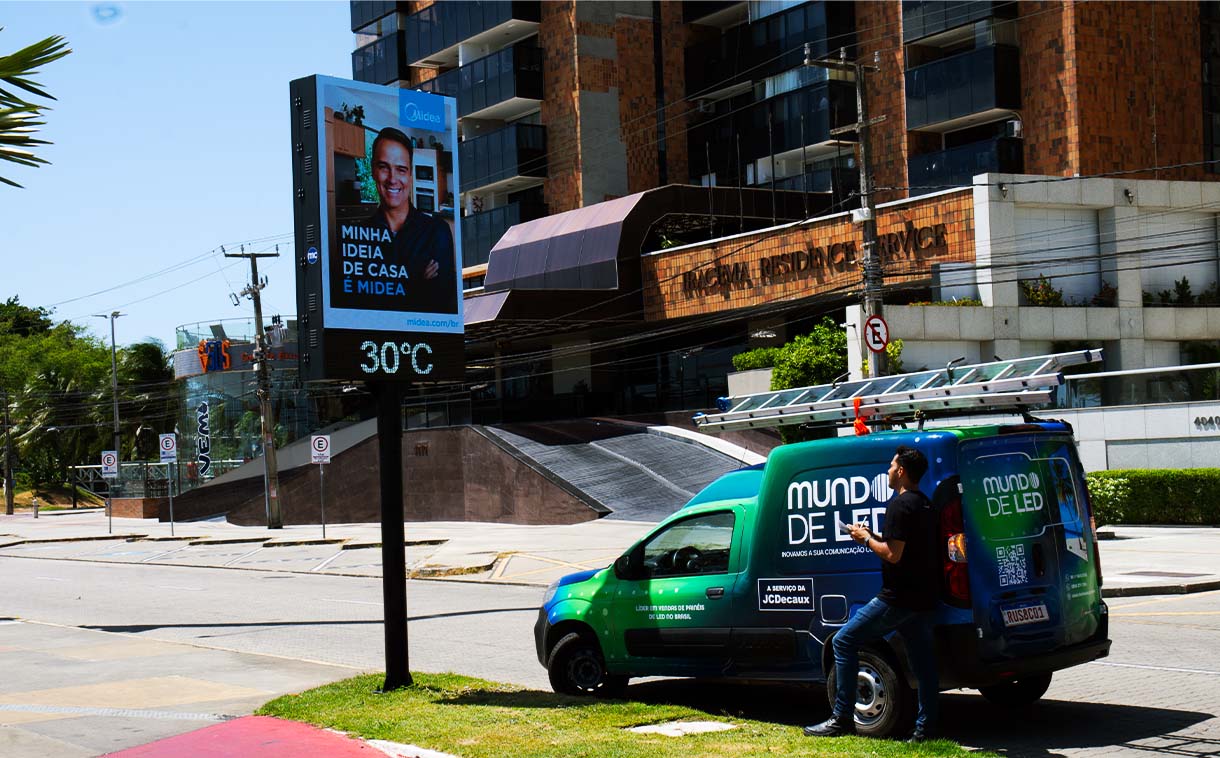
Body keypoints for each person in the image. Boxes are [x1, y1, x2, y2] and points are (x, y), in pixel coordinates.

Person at [805, 444, 940, 742]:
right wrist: (872, 535)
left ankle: (842, 719)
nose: (888, 471)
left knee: (843, 640)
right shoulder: (925, 504)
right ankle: (926, 729)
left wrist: (865, 538)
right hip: (922, 599)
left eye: (892, 467)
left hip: (897, 599)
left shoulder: (899, 505)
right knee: (923, 664)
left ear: (902, 472)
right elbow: (905, 549)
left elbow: (892, 555)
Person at [365, 126, 457, 315]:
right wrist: (416, 280)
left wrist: (391, 285)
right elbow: (361, 301)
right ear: (373, 170)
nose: (392, 179)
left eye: (401, 169)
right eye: (384, 167)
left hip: (428, 336)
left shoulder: (437, 231)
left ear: (409, 175)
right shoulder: (360, 235)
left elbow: (441, 300)